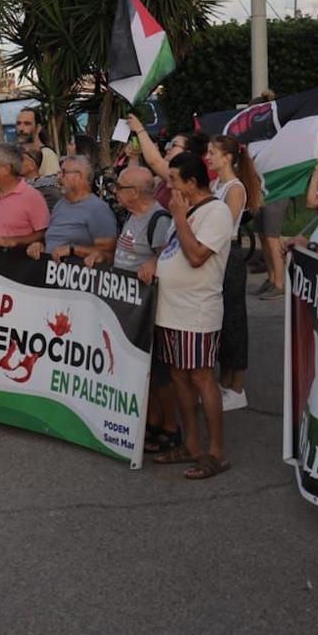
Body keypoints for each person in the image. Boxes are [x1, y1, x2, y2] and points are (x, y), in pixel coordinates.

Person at [152, 152, 234, 480]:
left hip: (196, 311)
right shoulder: (183, 209)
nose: (168, 185)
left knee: (201, 377)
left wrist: (181, 218)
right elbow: (174, 249)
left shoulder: (216, 212)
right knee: (179, 376)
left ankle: (215, 452)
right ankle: (191, 443)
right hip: (171, 310)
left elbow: (198, 255)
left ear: (192, 182)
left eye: (174, 180)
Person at [105, 165, 179, 455]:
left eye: (120, 187)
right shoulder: (131, 216)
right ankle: (152, 421)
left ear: (134, 192)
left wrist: (155, 263)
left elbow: (171, 256)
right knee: (143, 369)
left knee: (159, 371)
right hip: (129, 305)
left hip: (151, 308)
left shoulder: (158, 219)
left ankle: (170, 428)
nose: (116, 192)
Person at [0, 143, 47, 259]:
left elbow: (43, 233)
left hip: (16, 268)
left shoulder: (32, 197)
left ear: (6, 169)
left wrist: (15, 241)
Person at [44, 153, 117, 263]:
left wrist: (73, 250)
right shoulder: (60, 205)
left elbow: (108, 253)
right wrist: (39, 246)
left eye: (64, 173)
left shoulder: (97, 209)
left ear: (81, 176)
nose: (59, 177)